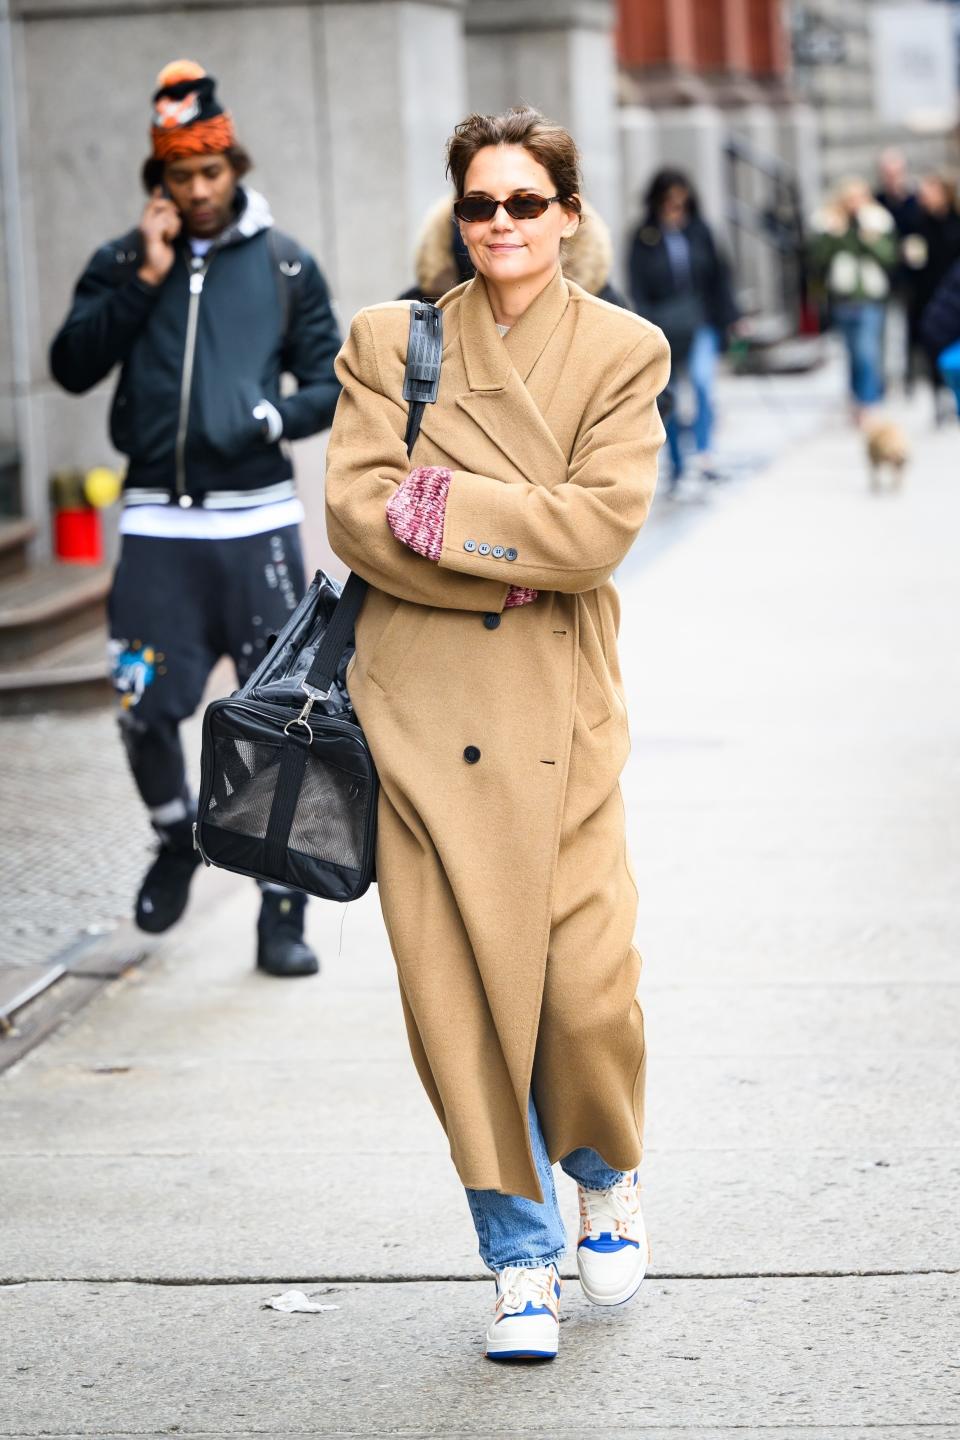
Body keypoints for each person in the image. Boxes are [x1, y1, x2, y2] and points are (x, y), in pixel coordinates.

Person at [324, 106, 669, 1362]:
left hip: (560, 722)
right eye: (482, 204)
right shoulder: (386, 342)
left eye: (528, 203)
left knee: (583, 992)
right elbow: (361, 516)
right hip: (415, 720)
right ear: (455, 216)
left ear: (569, 215)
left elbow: (601, 528)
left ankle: (604, 1167)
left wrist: (447, 516)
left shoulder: (626, 352)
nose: (504, 226)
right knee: (457, 1007)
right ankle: (518, 1260)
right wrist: (510, 557)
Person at [50, 61, 341, 976]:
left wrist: (270, 418)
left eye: (213, 172)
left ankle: (280, 908)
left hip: (255, 528)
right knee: (142, 704)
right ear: (161, 180)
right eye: (183, 175)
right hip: (159, 532)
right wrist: (144, 275)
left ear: (233, 166)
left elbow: (334, 381)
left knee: (277, 718)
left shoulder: (287, 262)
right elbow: (70, 365)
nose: (201, 189)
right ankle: (175, 838)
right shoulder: (124, 261)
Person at [627, 168, 738, 496]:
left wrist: (730, 316)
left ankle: (705, 455)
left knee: (703, 383)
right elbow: (638, 284)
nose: (676, 207)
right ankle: (676, 463)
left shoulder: (700, 230)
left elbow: (721, 276)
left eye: (681, 201)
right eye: (669, 201)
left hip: (701, 319)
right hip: (664, 326)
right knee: (669, 394)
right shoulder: (644, 234)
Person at [809, 178, 897, 423]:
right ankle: (857, 399)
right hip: (842, 297)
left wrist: (871, 240)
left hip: (870, 296)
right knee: (852, 353)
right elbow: (817, 260)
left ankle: (870, 401)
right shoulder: (830, 223)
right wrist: (833, 236)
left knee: (867, 352)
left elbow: (890, 257)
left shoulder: (877, 221)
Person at [900, 173, 960, 420]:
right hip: (927, 294)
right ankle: (939, 395)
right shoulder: (917, 223)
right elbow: (909, 260)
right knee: (933, 343)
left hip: (954, 292)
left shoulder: (955, 221)